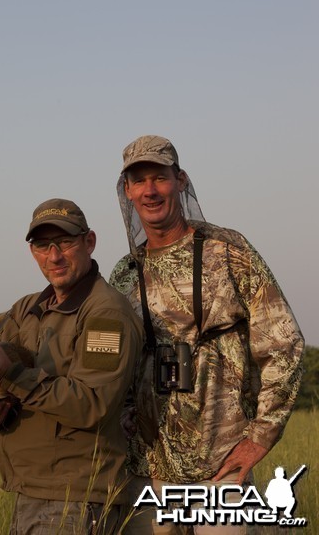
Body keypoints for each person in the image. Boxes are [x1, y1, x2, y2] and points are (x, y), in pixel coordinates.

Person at [109, 135, 304, 534]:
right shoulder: (124, 274)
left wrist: (260, 438)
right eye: (139, 181)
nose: (150, 191)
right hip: (148, 471)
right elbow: (112, 372)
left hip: (222, 468)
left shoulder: (229, 250)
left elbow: (284, 344)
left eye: (159, 178)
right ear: (127, 190)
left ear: (180, 180)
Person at [0, 198, 144, 535]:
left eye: (65, 242)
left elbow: (92, 403)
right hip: (29, 490)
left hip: (73, 499)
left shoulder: (106, 315)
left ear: (89, 242)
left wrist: (12, 375)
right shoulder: (26, 309)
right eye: (42, 245)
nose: (54, 256)